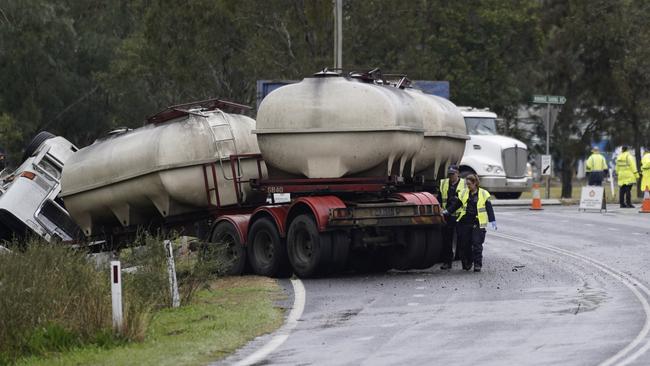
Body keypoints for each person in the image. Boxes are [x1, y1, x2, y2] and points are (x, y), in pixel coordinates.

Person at [445, 174, 496, 272]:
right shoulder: (464, 193)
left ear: (475, 183)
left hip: (478, 223)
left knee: (477, 244)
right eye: (466, 184)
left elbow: (489, 208)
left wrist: (492, 220)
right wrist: (448, 211)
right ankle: (467, 262)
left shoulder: (483, 194)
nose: (467, 186)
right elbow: (456, 205)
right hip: (465, 222)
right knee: (464, 244)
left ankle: (477, 264)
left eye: (469, 184)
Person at [436, 164, 465, 270]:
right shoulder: (443, 183)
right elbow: (439, 198)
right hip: (446, 216)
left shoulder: (464, 184)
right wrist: (440, 209)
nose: (451, 176)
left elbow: (460, 202)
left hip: (460, 216)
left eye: (453, 174)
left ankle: (465, 261)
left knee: (462, 240)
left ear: (458, 173)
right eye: (450, 174)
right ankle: (447, 262)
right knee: (446, 240)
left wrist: (449, 211)